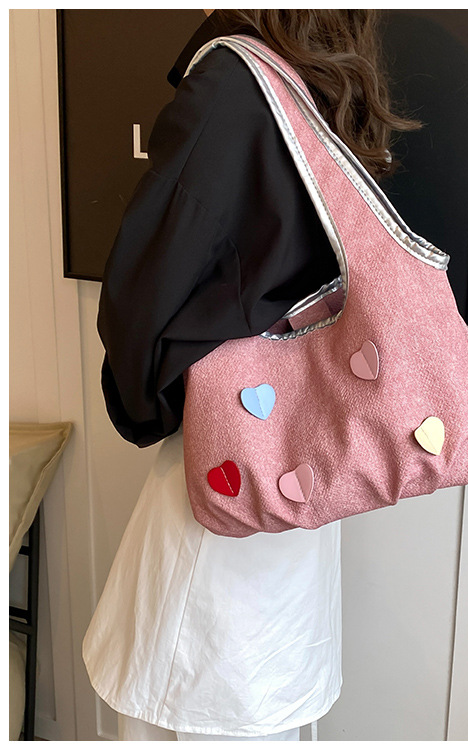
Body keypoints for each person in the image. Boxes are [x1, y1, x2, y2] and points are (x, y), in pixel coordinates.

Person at [81, 9, 421, 741]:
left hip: (220, 477)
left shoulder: (234, 81)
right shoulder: (329, 80)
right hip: (301, 472)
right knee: (261, 710)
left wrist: (144, 403)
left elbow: (146, 292)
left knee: (191, 706)